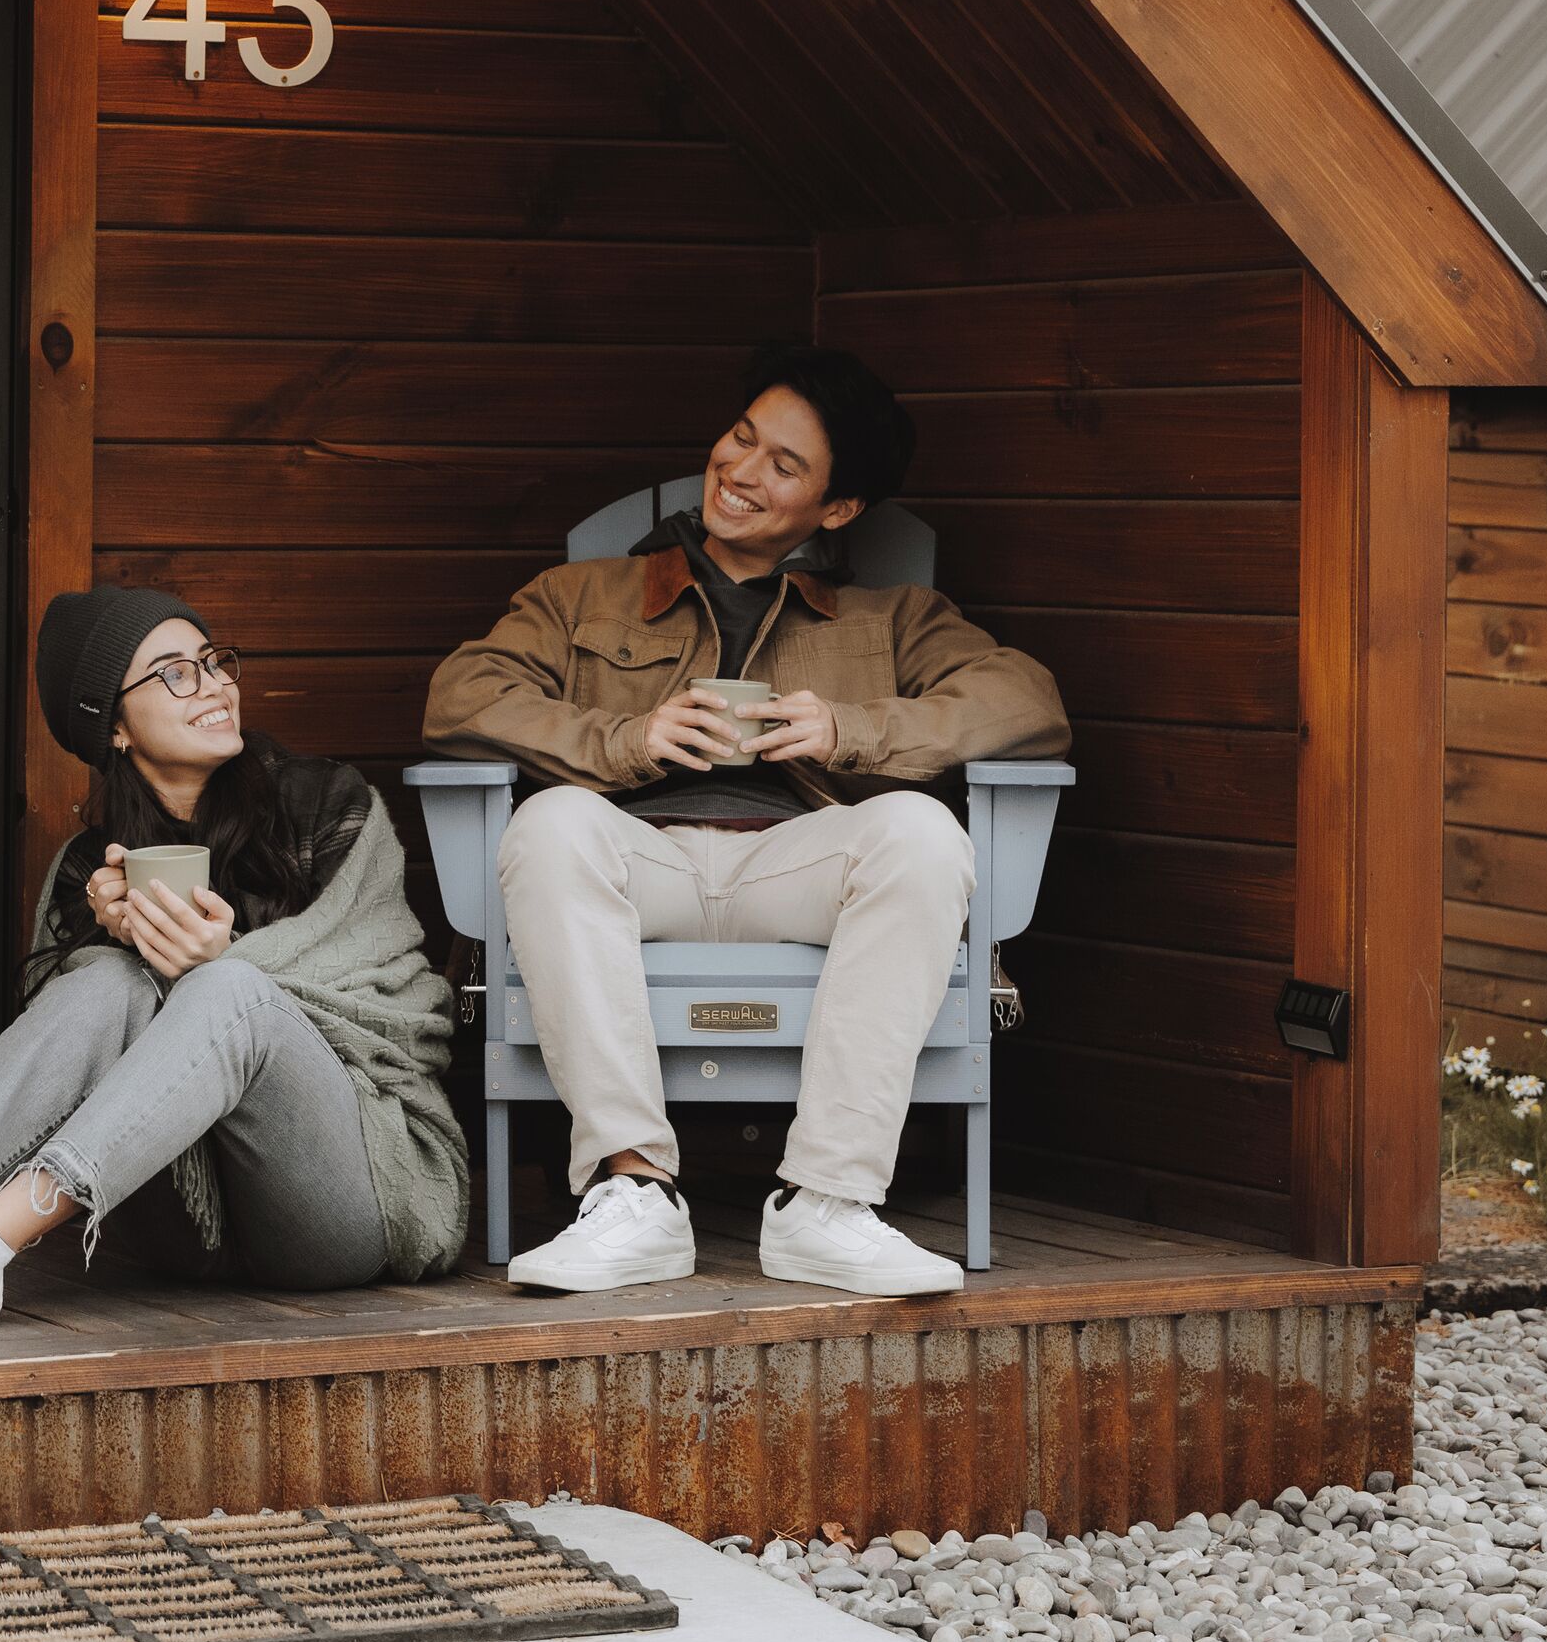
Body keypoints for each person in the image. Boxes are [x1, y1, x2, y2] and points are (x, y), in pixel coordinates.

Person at [423, 344, 1067, 1301]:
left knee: (925, 836)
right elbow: (462, 694)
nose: (741, 471)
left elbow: (1026, 696)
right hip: (636, 860)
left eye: (785, 465)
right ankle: (632, 1190)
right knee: (551, 824)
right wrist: (626, 737)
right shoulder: (583, 595)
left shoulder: (885, 616)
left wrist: (850, 728)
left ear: (836, 509)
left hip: (797, 864)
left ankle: (829, 1204)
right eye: (741, 437)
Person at [0, 588, 467, 1345]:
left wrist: (220, 963)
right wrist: (124, 947)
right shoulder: (88, 871)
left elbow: (394, 1003)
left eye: (212, 661)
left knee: (232, 988)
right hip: (186, 1232)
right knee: (102, 980)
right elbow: (55, 1071)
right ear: (114, 726)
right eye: (175, 674)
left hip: (352, 1200)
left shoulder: (326, 804)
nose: (215, 685)